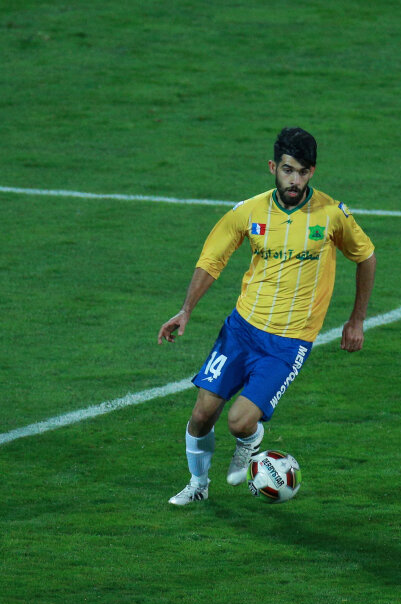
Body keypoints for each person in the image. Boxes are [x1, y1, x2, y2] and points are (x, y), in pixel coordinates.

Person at [157, 127, 377, 505]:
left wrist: (357, 319)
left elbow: (366, 257)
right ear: (273, 167)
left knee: (239, 420)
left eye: (303, 172)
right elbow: (212, 260)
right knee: (201, 415)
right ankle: (198, 485)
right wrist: (186, 310)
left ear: (312, 172)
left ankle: (250, 440)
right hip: (241, 330)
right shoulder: (249, 211)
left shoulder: (332, 214)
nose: (295, 181)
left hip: (288, 343)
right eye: (288, 170)